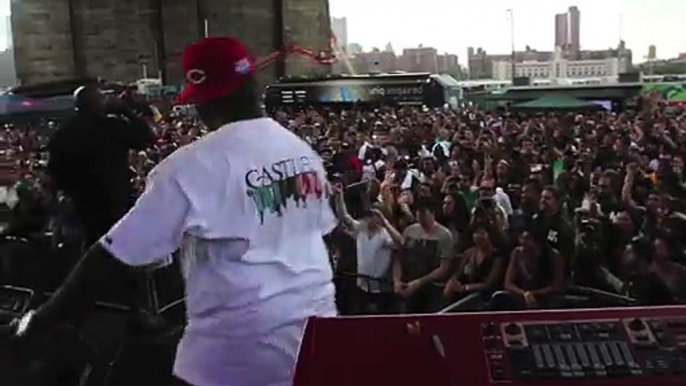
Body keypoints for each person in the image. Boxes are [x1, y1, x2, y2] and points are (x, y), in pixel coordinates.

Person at [5, 37, 338, 386]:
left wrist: (39, 322)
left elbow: (111, 259)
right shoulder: (300, 151)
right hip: (318, 341)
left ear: (203, 100)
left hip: (238, 354)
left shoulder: (192, 166)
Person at [47, 85, 155, 246]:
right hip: (114, 198)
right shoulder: (112, 126)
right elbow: (146, 137)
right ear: (98, 103)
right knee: (118, 244)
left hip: (82, 201)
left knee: (91, 242)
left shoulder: (63, 133)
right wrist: (126, 111)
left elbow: (54, 170)